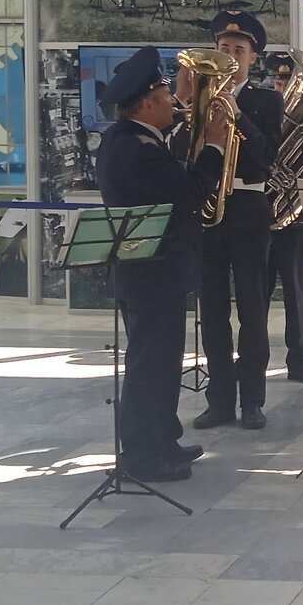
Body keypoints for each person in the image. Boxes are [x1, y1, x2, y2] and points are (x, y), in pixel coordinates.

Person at [95, 46, 227, 481]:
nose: (175, 102)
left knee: (161, 362)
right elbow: (188, 193)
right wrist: (214, 146)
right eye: (167, 97)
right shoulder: (139, 148)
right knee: (149, 365)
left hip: (150, 271)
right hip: (152, 271)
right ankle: (141, 457)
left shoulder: (129, 139)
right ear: (146, 105)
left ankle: (163, 440)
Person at [190, 11, 283, 431]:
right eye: (223, 49)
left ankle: (253, 401)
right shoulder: (199, 97)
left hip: (247, 209)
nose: (229, 57)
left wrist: (236, 116)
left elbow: (266, 156)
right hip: (208, 212)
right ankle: (220, 400)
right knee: (212, 312)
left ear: (252, 58)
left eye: (238, 51)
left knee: (252, 310)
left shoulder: (266, 101)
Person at [260, 51, 303, 386]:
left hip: (298, 220)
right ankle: (253, 359)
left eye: (288, 79)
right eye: (279, 79)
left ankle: (300, 360)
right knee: (257, 292)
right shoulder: (260, 118)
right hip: (261, 218)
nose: (284, 86)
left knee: (297, 291)